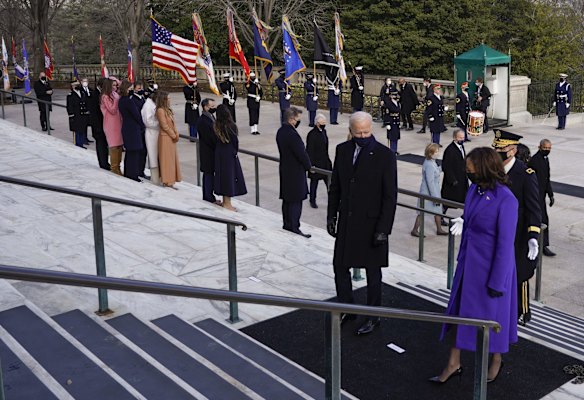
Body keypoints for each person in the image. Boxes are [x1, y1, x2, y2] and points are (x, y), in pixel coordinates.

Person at [430, 147, 518, 384]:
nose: (468, 174)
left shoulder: (506, 199)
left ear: (484, 169)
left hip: (491, 270)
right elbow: (470, 218)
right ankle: (453, 361)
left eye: (471, 170)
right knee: (460, 313)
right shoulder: (473, 190)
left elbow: (505, 245)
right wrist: (463, 220)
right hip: (469, 265)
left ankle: (496, 359)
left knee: (493, 319)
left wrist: (497, 281)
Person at [327, 111, 398, 335]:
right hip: (348, 222)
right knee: (340, 266)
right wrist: (331, 215)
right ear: (351, 131)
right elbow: (336, 186)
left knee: (373, 273)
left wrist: (384, 229)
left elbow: (390, 196)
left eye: (366, 132)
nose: (362, 135)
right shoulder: (342, 150)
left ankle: (374, 314)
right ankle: (347, 307)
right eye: (358, 132)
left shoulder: (385, 156)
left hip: (372, 226)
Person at [492, 130, 541, 326]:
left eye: (500, 149)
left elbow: (533, 208)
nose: (496, 152)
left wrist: (532, 235)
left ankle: (522, 311)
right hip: (496, 232)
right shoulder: (493, 170)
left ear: (512, 151)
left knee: (519, 274)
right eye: (495, 148)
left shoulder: (525, 174)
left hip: (517, 234)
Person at [276, 107, 312, 238]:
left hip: (285, 169)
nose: (298, 122)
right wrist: (309, 166)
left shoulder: (281, 131)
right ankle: (294, 226)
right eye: (297, 119)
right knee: (296, 200)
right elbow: (301, 153)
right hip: (295, 171)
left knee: (287, 199)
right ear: (291, 119)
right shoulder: (292, 134)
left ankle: (287, 224)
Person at [213, 104, 247, 211]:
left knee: (222, 177)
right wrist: (234, 151)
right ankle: (228, 203)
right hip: (228, 153)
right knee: (229, 177)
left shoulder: (215, 125)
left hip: (219, 153)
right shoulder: (231, 126)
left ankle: (224, 201)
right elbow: (235, 141)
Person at [411, 143, 448, 237]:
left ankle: (439, 229)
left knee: (437, 211)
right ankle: (415, 230)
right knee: (422, 211)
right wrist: (434, 197)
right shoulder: (429, 165)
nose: (437, 153)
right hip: (429, 192)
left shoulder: (431, 162)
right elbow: (430, 182)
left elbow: (436, 172)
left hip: (434, 190)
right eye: (436, 152)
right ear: (430, 153)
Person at [529, 139, 556, 256]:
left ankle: (543, 244)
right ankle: (541, 245)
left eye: (549, 148)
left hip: (542, 196)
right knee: (540, 220)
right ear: (539, 147)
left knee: (544, 220)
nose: (547, 151)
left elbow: (546, 179)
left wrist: (550, 194)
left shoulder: (545, 159)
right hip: (535, 196)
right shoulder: (534, 161)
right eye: (545, 148)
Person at [118, 80, 145, 182]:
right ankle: (133, 174)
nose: (131, 91)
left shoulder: (122, 100)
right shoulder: (128, 101)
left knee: (130, 152)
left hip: (127, 127)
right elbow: (136, 115)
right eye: (130, 89)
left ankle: (129, 172)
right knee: (134, 152)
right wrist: (142, 125)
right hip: (133, 128)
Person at [156, 91, 182, 189]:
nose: (170, 100)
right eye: (168, 98)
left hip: (171, 138)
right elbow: (164, 126)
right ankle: (167, 180)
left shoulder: (167, 110)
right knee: (166, 160)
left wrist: (176, 134)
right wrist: (173, 135)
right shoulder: (160, 110)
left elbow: (172, 123)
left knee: (171, 159)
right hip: (165, 138)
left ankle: (171, 180)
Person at [441, 128, 468, 220]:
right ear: (454, 138)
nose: (462, 140)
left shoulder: (461, 147)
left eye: (463, 137)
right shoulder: (450, 150)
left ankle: (466, 217)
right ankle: (441, 216)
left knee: (465, 199)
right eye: (460, 138)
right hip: (453, 181)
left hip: (462, 178)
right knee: (448, 201)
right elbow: (446, 166)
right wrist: (452, 180)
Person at [306, 113, 332, 209]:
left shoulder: (324, 132)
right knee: (314, 183)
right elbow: (309, 150)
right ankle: (312, 200)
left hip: (325, 162)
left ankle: (332, 200)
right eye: (322, 123)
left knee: (329, 183)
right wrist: (311, 165)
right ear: (317, 123)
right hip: (316, 163)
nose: (324, 124)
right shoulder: (312, 135)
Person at [197, 98, 220, 204]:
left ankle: (210, 195)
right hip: (207, 151)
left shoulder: (210, 117)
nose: (214, 108)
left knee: (210, 174)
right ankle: (208, 196)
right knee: (208, 174)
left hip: (211, 151)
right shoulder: (203, 120)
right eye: (211, 107)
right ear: (205, 107)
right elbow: (209, 137)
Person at [100, 78, 123, 175]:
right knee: (114, 145)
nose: (115, 87)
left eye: (115, 85)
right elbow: (112, 109)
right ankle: (114, 168)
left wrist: (117, 82)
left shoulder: (115, 94)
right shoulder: (105, 96)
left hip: (118, 122)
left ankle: (118, 166)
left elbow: (120, 84)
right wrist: (117, 100)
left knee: (119, 145)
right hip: (110, 123)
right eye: (113, 85)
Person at [87, 78, 110, 170]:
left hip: (104, 124)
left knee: (105, 144)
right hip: (98, 125)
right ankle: (103, 163)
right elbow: (93, 113)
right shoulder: (94, 95)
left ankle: (105, 161)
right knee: (101, 144)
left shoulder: (102, 94)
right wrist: (97, 126)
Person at [141, 91, 160, 184]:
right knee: (153, 156)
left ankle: (158, 177)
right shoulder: (148, 106)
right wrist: (160, 124)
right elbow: (148, 121)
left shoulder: (153, 104)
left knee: (157, 156)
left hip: (157, 132)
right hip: (152, 132)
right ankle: (155, 178)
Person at [66, 79, 90, 149]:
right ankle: (78, 143)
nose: (77, 86)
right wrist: (71, 115)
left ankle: (81, 143)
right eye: (75, 85)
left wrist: (87, 111)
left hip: (82, 114)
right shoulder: (70, 95)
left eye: (78, 85)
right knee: (77, 130)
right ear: (72, 86)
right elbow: (69, 106)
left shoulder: (82, 93)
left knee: (82, 129)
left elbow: (86, 102)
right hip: (76, 115)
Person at [131, 82, 147, 179]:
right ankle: (137, 170)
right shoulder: (133, 99)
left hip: (144, 128)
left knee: (144, 152)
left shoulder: (143, 98)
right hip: (138, 128)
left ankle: (141, 170)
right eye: (139, 88)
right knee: (139, 151)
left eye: (141, 87)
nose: (141, 89)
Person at [385, 88, 401, 154]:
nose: (395, 96)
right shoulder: (389, 104)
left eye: (396, 95)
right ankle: (392, 150)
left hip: (396, 121)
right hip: (391, 121)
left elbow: (399, 113)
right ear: (391, 96)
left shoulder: (398, 103)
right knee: (392, 137)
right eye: (393, 95)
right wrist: (387, 123)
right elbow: (387, 114)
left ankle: (395, 150)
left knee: (396, 137)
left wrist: (399, 122)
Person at [79, 77, 94, 145]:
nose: (85, 83)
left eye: (86, 81)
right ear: (81, 82)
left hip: (89, 109)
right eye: (84, 81)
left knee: (87, 124)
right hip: (83, 109)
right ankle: (83, 138)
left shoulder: (90, 90)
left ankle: (86, 137)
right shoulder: (80, 90)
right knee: (83, 125)